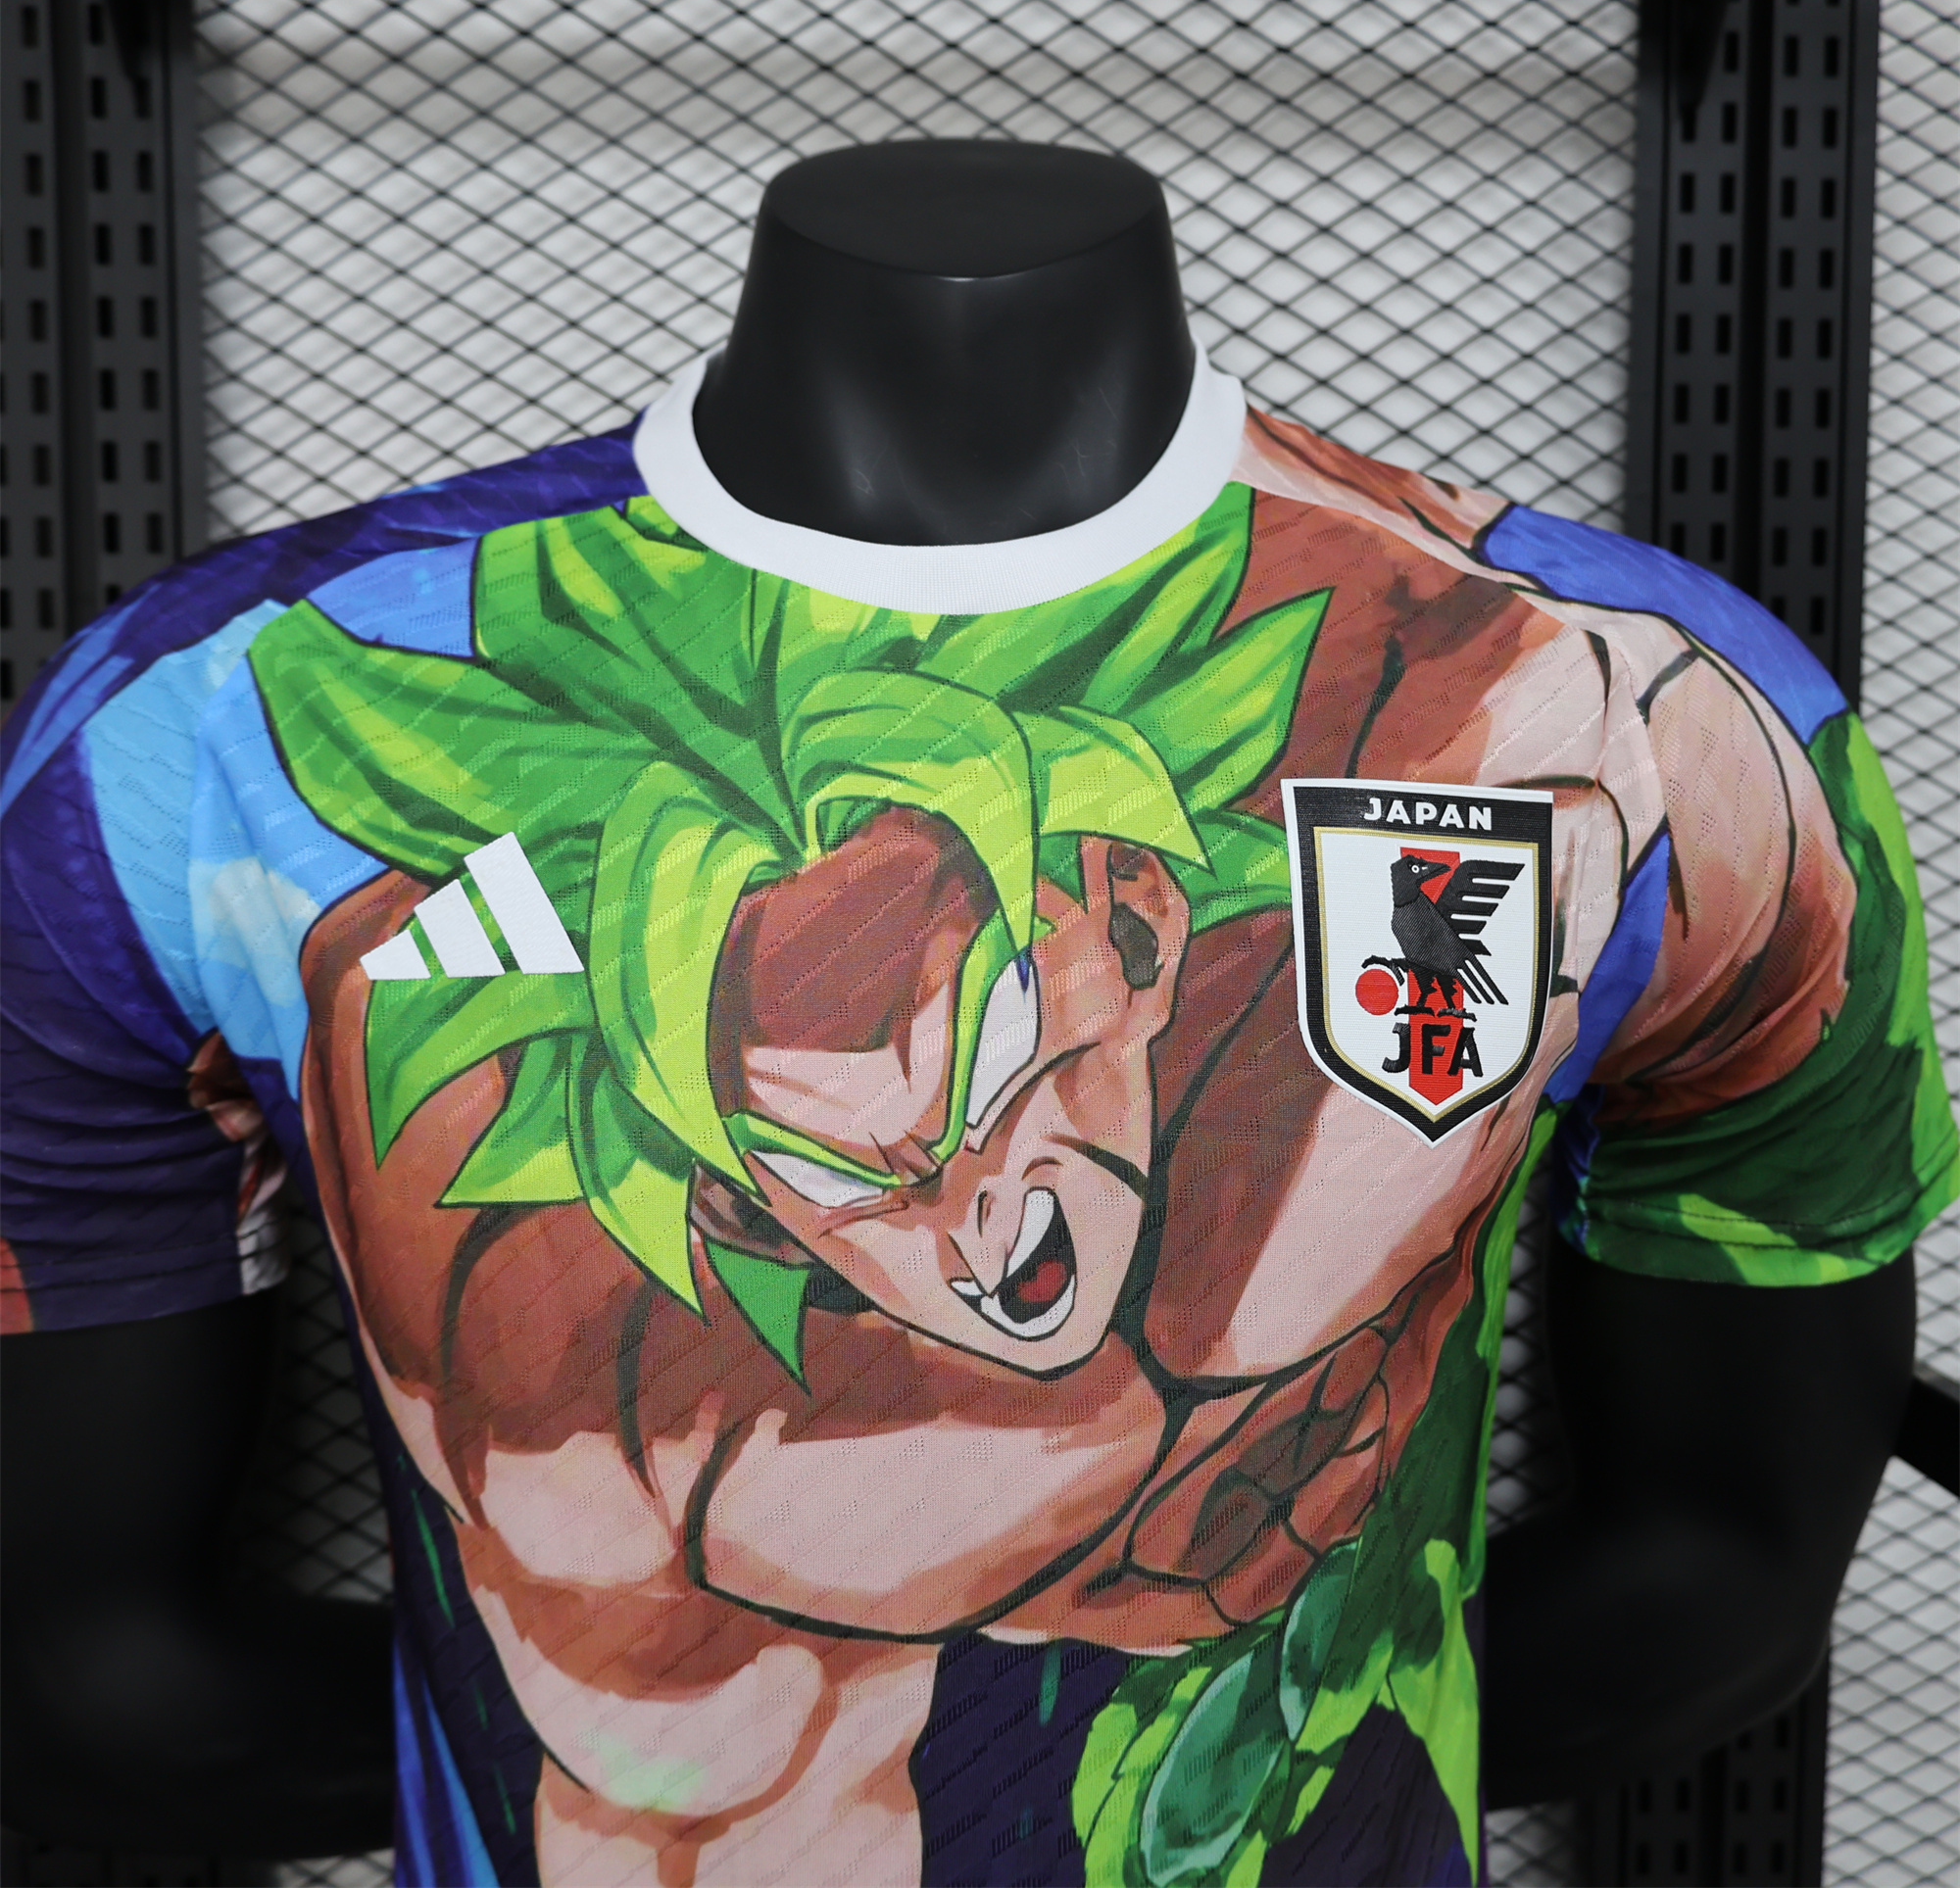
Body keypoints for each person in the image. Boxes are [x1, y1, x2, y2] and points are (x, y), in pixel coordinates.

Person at [3, 140, 1948, 1887]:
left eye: (981, 1094)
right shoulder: (194, 742)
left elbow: (1725, 1581)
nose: (974, 1223)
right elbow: (83, 1693)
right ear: (744, 1196)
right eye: (857, 1172)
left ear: (1132, 925)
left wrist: (1331, 1718)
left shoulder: (1618, 710)